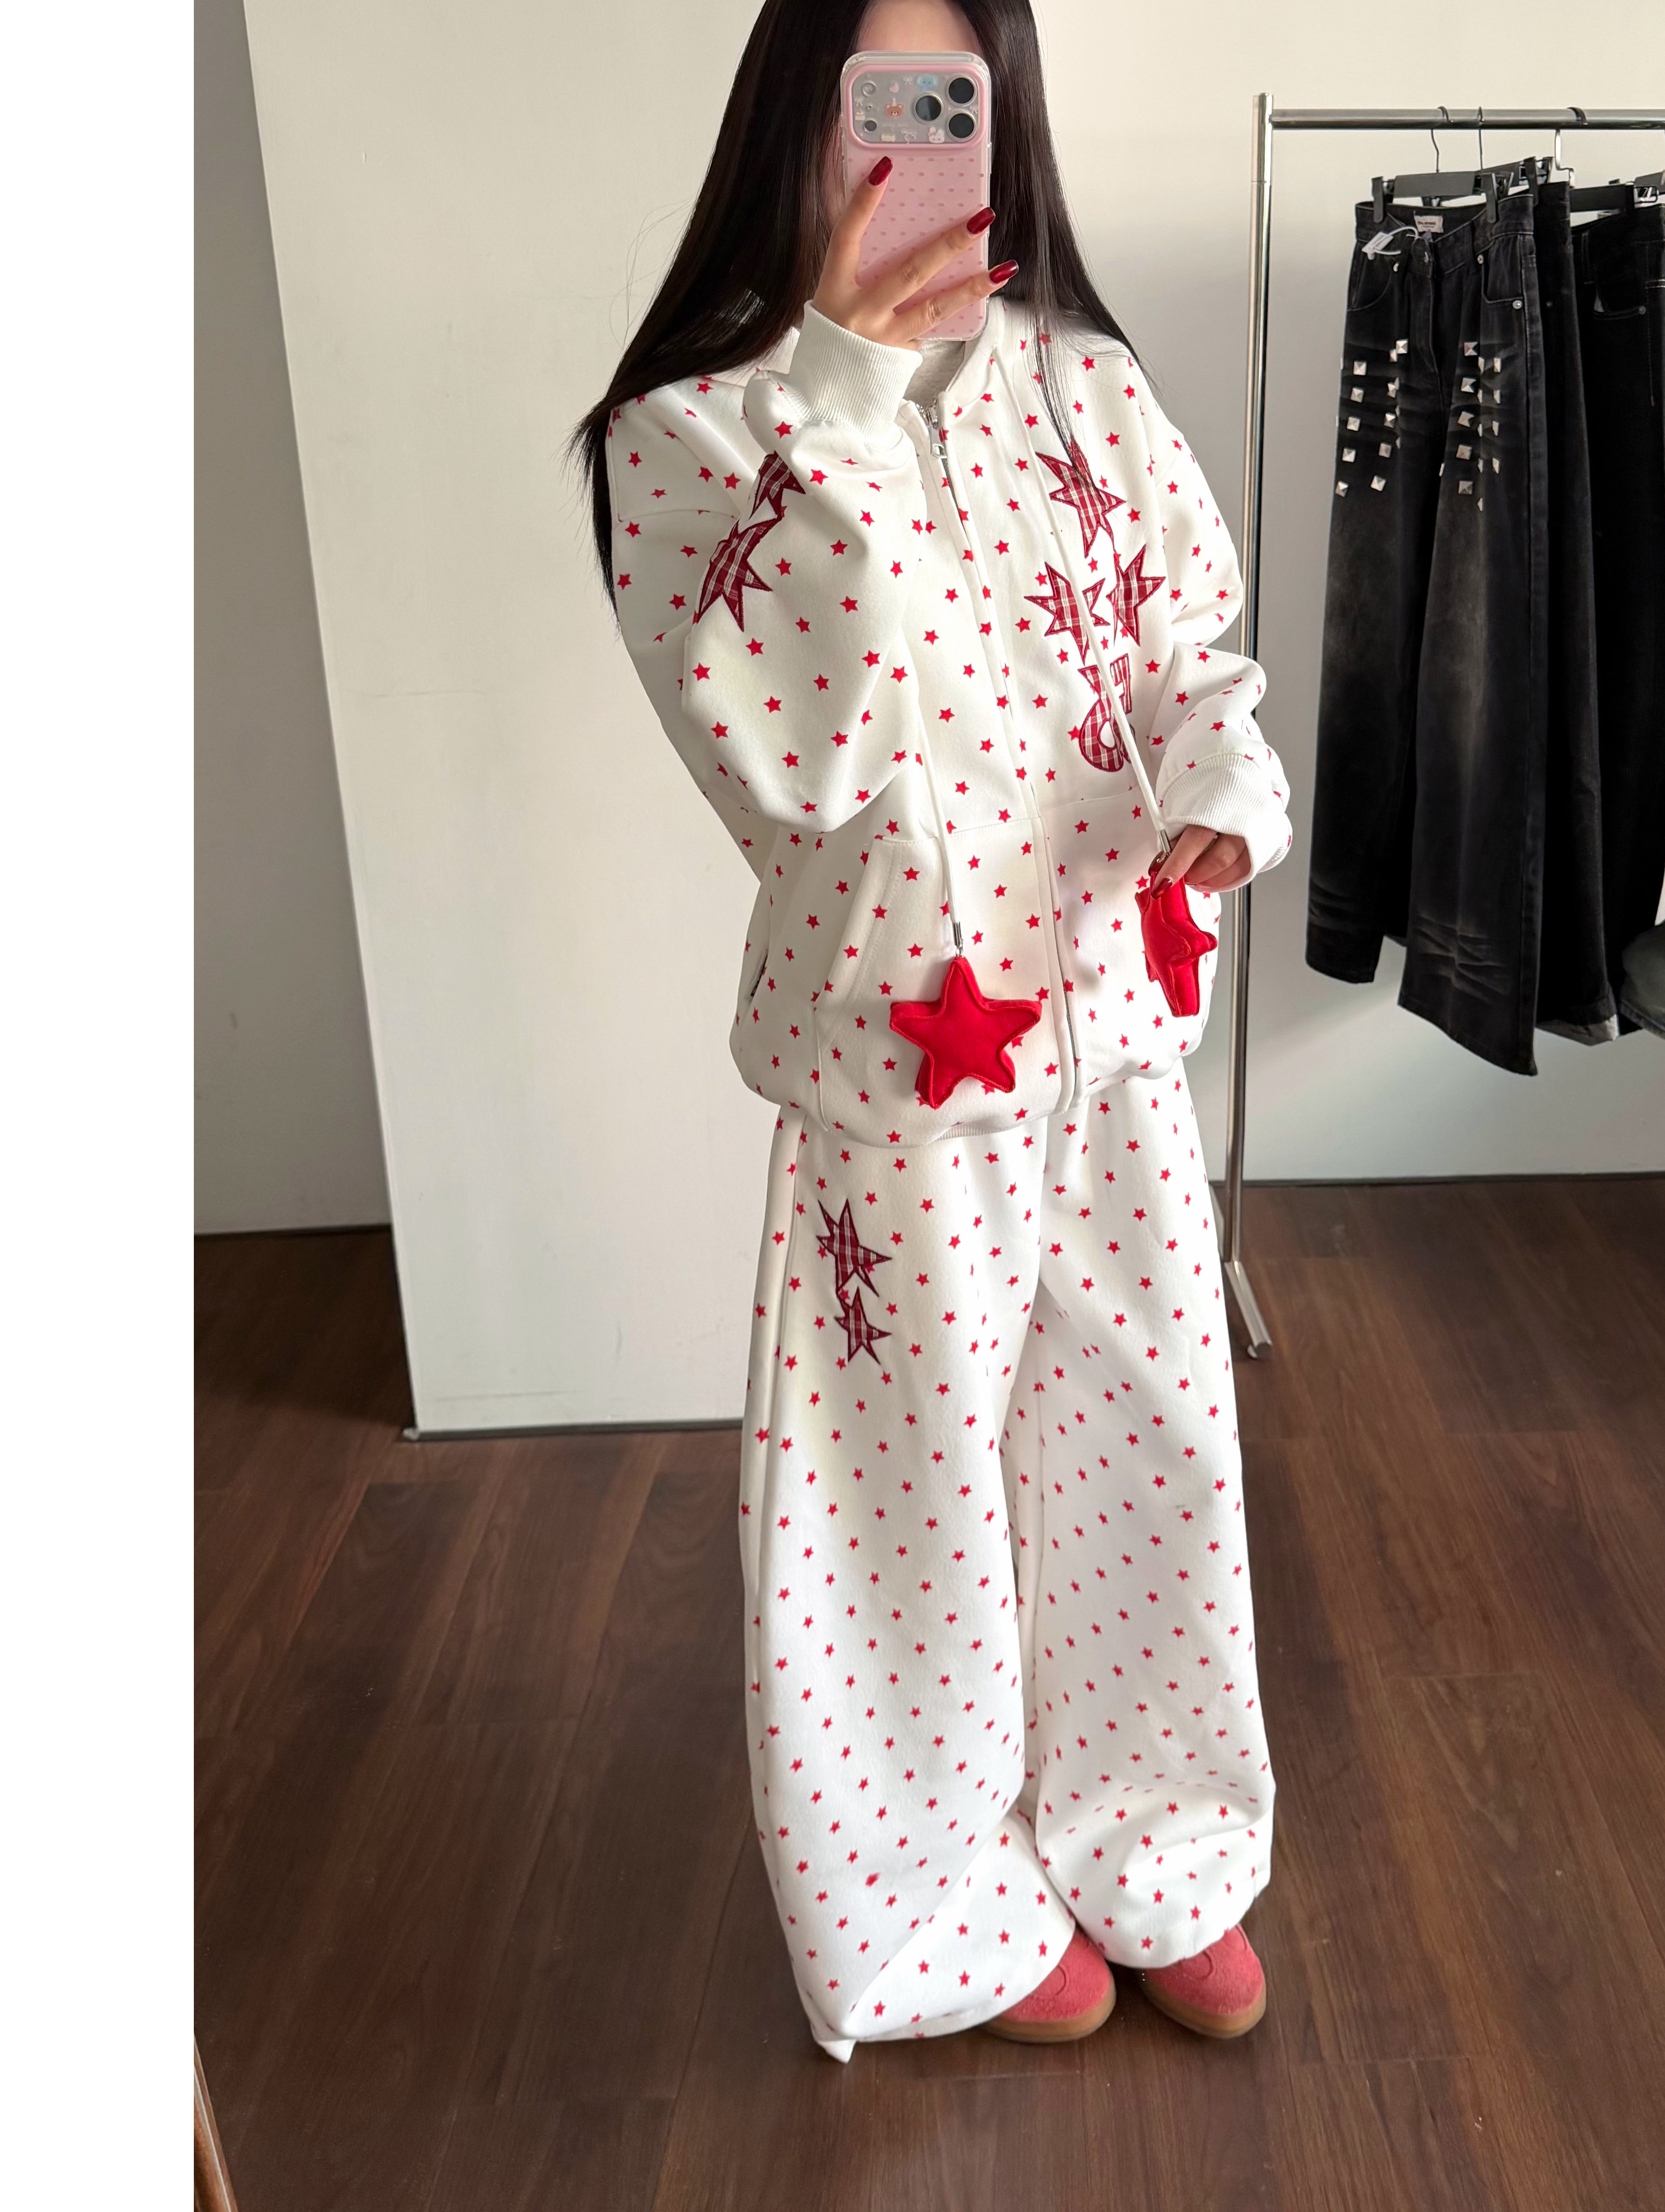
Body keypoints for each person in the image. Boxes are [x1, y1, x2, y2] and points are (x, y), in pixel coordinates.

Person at [571, 0, 1291, 2063]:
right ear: (790, 121)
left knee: (1153, 1446)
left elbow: (1182, 646)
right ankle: (934, 1900)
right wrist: (842, 392)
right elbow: (799, 753)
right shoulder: (692, 440)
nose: (900, 152)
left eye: (944, 106)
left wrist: (1221, 782)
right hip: (893, 1074)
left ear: (1003, 121)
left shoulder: (1083, 383)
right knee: (899, 1509)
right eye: (866, 106)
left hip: (1114, 1030)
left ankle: (1155, 1834)